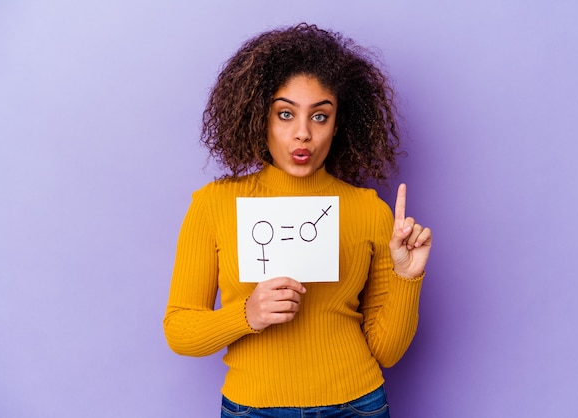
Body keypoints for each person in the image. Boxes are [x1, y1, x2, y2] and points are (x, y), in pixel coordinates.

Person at [163, 23, 432, 417]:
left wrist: (408, 278)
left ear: (338, 125)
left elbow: (387, 353)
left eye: (319, 117)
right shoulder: (214, 205)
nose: (302, 133)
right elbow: (179, 330)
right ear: (261, 118)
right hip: (253, 409)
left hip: (357, 406)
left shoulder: (370, 209)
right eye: (285, 114)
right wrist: (247, 315)